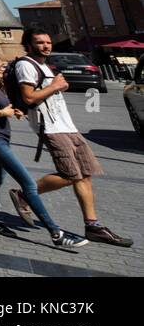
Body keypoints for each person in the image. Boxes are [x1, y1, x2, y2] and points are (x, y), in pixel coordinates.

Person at [12, 26, 133, 248]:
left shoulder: (43, 65)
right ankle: (24, 193)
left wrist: (59, 86)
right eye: (40, 42)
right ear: (28, 45)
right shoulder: (24, 65)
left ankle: (93, 225)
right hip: (50, 127)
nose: (46, 45)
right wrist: (56, 85)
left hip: (67, 125)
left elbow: (47, 90)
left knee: (86, 173)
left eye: (48, 42)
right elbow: (28, 98)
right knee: (71, 175)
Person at [0, 51, 86, 248]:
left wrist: (14, 111)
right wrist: (1, 112)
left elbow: (3, 105)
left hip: (1, 139)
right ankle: (56, 233)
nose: (3, 69)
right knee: (28, 184)